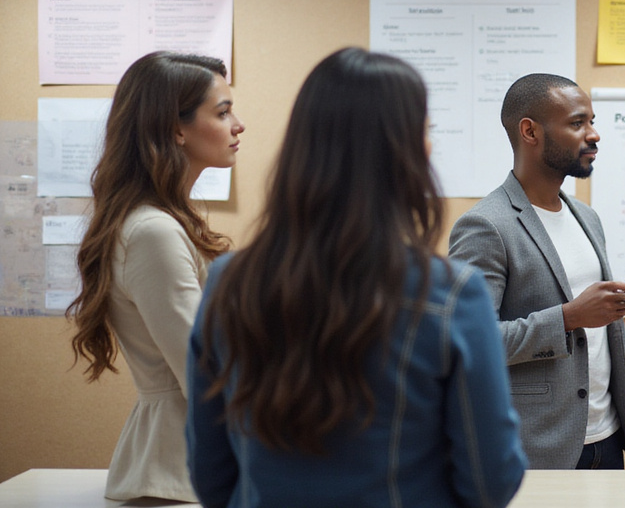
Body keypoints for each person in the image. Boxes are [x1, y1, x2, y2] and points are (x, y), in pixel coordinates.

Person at [186, 48, 526, 508]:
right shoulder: (450, 293)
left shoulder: (228, 283)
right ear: (405, 150)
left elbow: (210, 475)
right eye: (425, 130)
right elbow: (490, 483)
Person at [449, 73, 625, 470]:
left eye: (592, 121)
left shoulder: (587, 218)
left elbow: (610, 333)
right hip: (536, 446)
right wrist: (568, 317)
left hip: (608, 437)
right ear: (530, 131)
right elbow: (467, 342)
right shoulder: (486, 226)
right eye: (578, 123)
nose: (594, 135)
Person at [65, 51, 244, 502]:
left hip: (191, 458)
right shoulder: (153, 231)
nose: (238, 125)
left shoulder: (165, 222)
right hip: (181, 468)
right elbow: (201, 371)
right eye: (222, 113)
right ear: (175, 128)